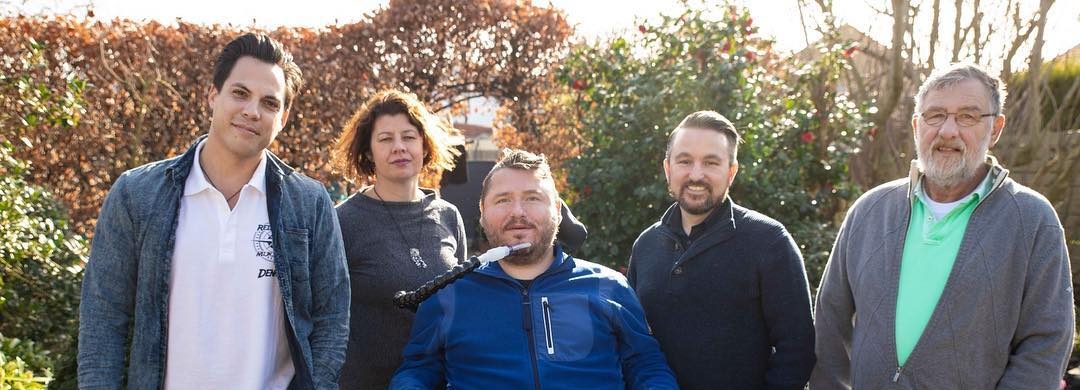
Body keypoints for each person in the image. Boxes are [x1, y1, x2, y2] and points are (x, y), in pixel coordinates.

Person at [77, 33, 350, 389]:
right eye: (240, 93)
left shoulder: (309, 204)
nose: (252, 111)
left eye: (269, 103)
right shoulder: (137, 194)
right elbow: (103, 317)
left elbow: (332, 320)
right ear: (212, 95)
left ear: (283, 117)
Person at [811, 63, 1074, 388]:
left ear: (995, 129)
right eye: (935, 115)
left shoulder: (1032, 220)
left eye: (967, 116)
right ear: (916, 125)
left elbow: (1047, 342)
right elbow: (830, 319)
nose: (948, 130)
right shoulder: (870, 211)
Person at [389, 149, 678, 390]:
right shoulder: (449, 296)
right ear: (483, 213)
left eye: (532, 198)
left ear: (557, 210)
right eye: (503, 199)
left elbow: (646, 366)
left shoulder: (609, 287)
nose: (518, 212)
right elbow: (418, 370)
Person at [627, 110, 815, 389]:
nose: (696, 174)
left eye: (711, 162)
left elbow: (797, 350)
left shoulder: (769, 242)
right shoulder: (646, 245)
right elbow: (632, 342)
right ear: (668, 169)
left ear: (731, 171)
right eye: (685, 161)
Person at [333, 89, 466, 389]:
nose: (399, 147)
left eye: (408, 137)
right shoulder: (343, 221)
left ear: (424, 145)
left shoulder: (449, 216)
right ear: (368, 152)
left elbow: (459, 307)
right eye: (385, 139)